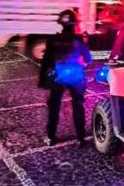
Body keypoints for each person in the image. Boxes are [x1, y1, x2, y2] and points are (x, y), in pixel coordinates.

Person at [39, 10, 92, 147]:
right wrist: (85, 43)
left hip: (59, 77)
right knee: (78, 106)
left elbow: (46, 62)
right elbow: (89, 59)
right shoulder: (79, 40)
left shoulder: (53, 40)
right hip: (76, 76)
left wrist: (46, 79)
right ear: (75, 23)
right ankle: (80, 138)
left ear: (60, 23)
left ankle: (51, 137)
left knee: (54, 107)